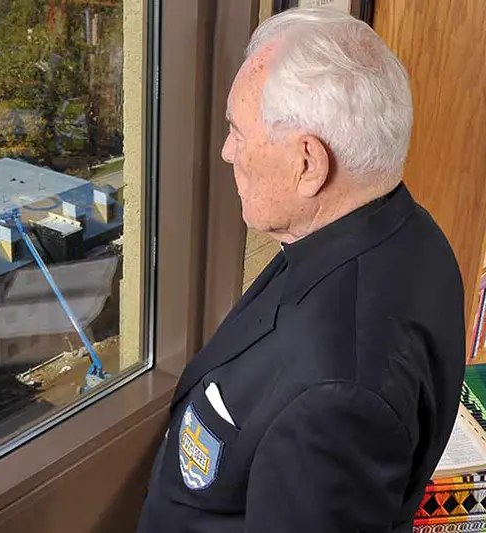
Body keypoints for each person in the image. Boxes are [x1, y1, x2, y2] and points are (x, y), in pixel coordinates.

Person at [137, 8, 465, 533]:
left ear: (309, 163)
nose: (227, 152)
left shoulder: (336, 398)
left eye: (239, 133)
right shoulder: (408, 235)